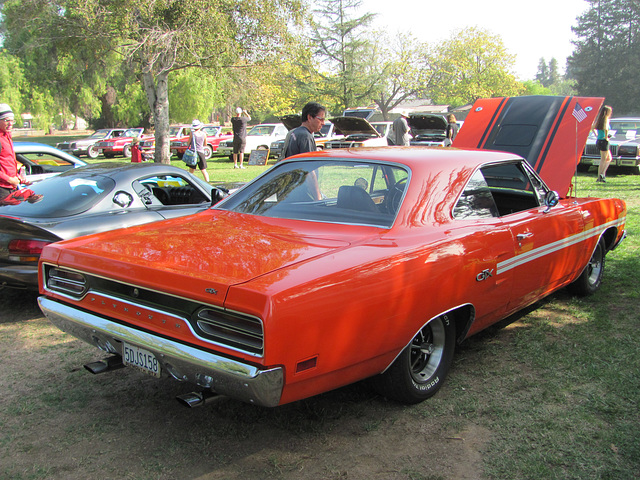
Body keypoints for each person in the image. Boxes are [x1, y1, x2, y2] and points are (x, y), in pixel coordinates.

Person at [0, 104, 30, 202]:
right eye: (6, 120)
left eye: (12, 120)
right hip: (2, 188)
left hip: (10, 186)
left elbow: (7, 162)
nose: (10, 124)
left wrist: (17, 177)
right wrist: (9, 179)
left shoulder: (7, 136)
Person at [593, 105, 613, 182]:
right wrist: (606, 137)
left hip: (599, 140)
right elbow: (606, 128)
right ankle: (600, 176)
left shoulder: (599, 119)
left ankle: (602, 174)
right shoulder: (606, 119)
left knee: (609, 158)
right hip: (604, 141)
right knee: (603, 159)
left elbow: (592, 127)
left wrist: (596, 135)